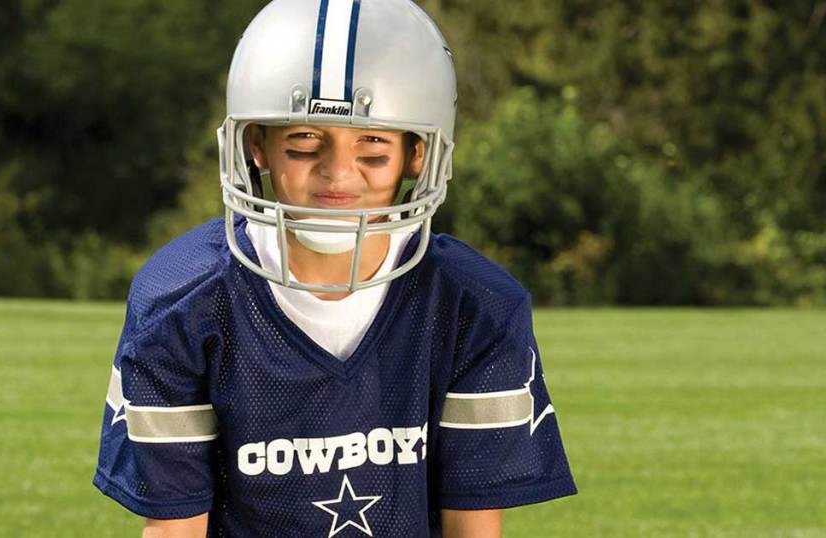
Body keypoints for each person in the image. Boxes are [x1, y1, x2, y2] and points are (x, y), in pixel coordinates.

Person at [93, 0, 577, 536]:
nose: (338, 176)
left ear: (418, 154)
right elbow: (173, 528)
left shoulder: (474, 305)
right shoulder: (181, 302)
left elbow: (474, 527)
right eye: (303, 142)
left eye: (372, 148)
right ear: (257, 145)